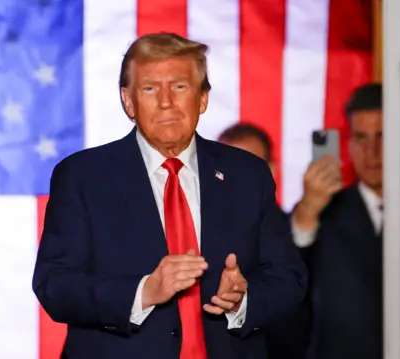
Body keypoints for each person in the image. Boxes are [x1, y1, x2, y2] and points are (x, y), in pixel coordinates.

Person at [32, 33, 307, 359]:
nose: (166, 101)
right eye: (150, 88)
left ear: (202, 98)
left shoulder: (248, 175)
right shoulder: (82, 176)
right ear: (128, 101)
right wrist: (144, 292)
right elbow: (55, 285)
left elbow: (289, 279)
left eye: (179, 86)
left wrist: (243, 301)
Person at [292, 83, 384, 359]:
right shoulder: (324, 213)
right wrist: (308, 210)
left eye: (382, 136)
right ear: (349, 145)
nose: (372, 151)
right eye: (361, 137)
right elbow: (286, 280)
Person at [218, 123, 311, 359]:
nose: (238, 182)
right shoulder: (192, 237)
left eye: (250, 169)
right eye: (229, 171)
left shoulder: (300, 233)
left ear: (272, 170)